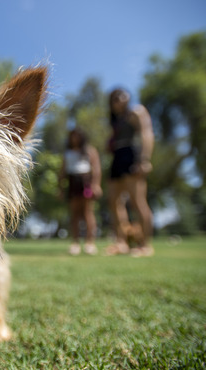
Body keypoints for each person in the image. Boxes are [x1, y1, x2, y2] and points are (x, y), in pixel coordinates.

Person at [105, 88, 154, 257]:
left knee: (137, 201)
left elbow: (147, 134)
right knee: (113, 201)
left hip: (131, 156)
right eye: (114, 98)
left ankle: (145, 245)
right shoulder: (116, 120)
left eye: (121, 95)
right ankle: (121, 242)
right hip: (117, 157)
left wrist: (145, 160)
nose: (118, 99)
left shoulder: (136, 111)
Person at [59, 127, 102, 255]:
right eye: (73, 136)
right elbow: (62, 172)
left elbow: (96, 168)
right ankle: (75, 243)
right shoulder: (67, 153)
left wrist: (96, 185)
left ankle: (90, 243)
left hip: (86, 182)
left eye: (77, 136)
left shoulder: (89, 151)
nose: (75, 138)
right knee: (74, 214)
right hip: (73, 182)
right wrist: (60, 188)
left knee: (88, 213)